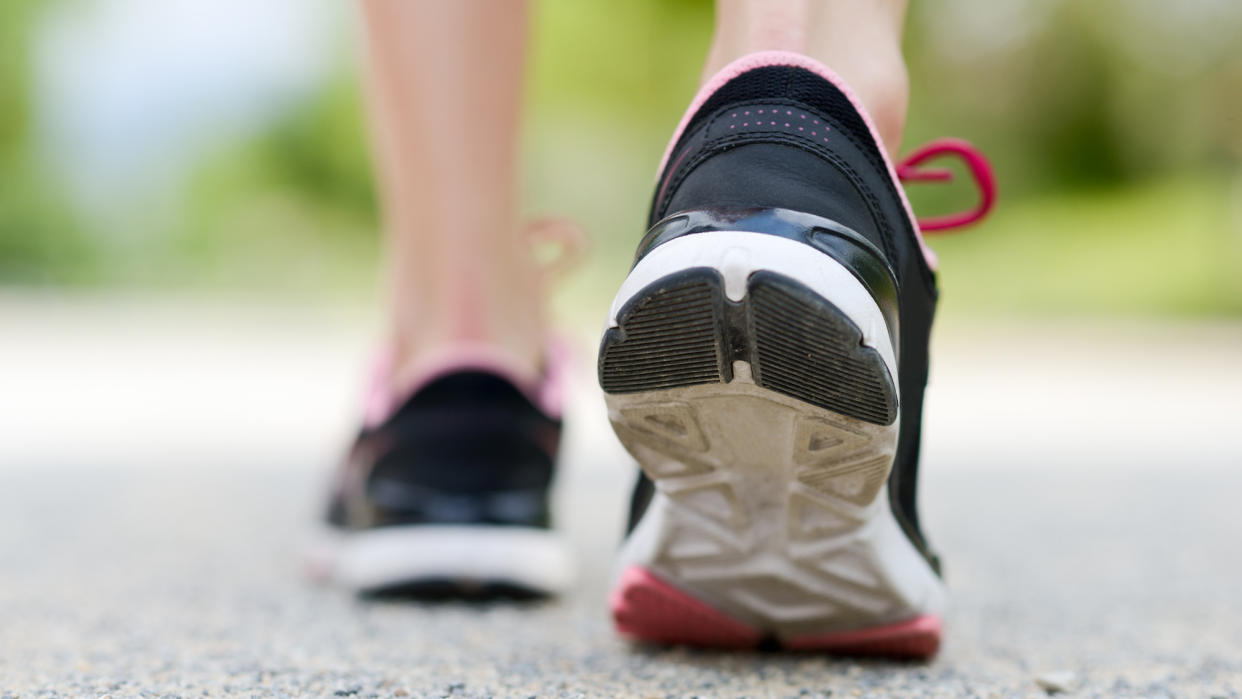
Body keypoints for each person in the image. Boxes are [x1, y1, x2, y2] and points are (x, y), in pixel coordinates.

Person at [307, 0, 994, 659]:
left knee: (457, 310)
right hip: (823, 176)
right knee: (808, 56)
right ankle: (814, 130)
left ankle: (458, 352)